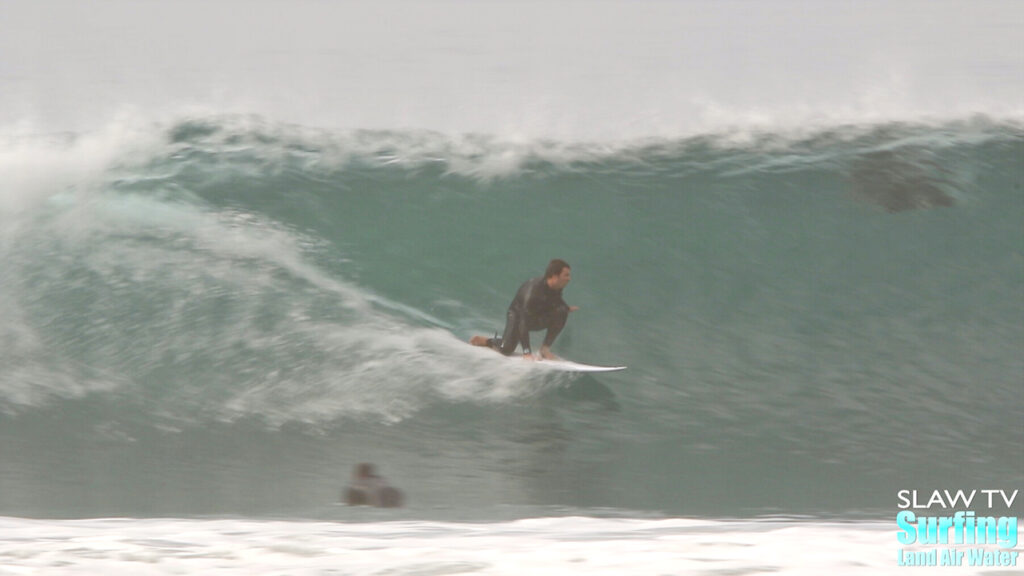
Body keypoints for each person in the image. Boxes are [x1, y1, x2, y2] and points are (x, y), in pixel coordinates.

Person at [469, 259, 578, 360]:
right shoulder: (533, 291)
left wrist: (566, 307)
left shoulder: (556, 286)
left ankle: (544, 350)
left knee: (562, 311)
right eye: (566, 275)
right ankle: (488, 341)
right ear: (555, 276)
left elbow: (556, 299)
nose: (569, 278)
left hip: (536, 315)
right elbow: (523, 322)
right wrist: (527, 352)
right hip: (518, 316)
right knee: (506, 349)